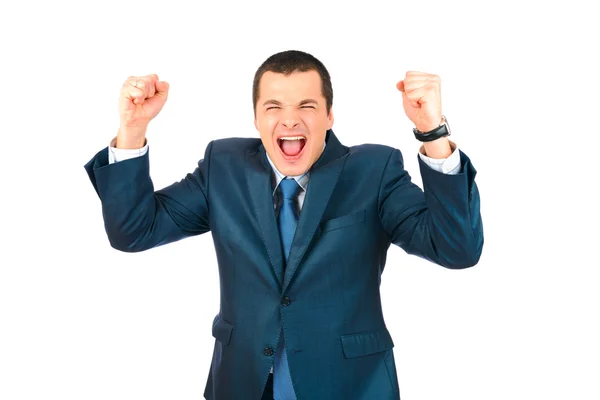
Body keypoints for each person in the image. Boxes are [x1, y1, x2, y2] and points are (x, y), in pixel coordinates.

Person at [84, 50, 483, 400]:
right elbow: (134, 231)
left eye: (307, 106)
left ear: (329, 116)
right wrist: (133, 130)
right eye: (273, 107)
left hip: (350, 386)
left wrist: (433, 132)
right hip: (243, 384)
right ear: (256, 118)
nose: (290, 121)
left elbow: (456, 248)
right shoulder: (223, 167)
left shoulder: (373, 170)